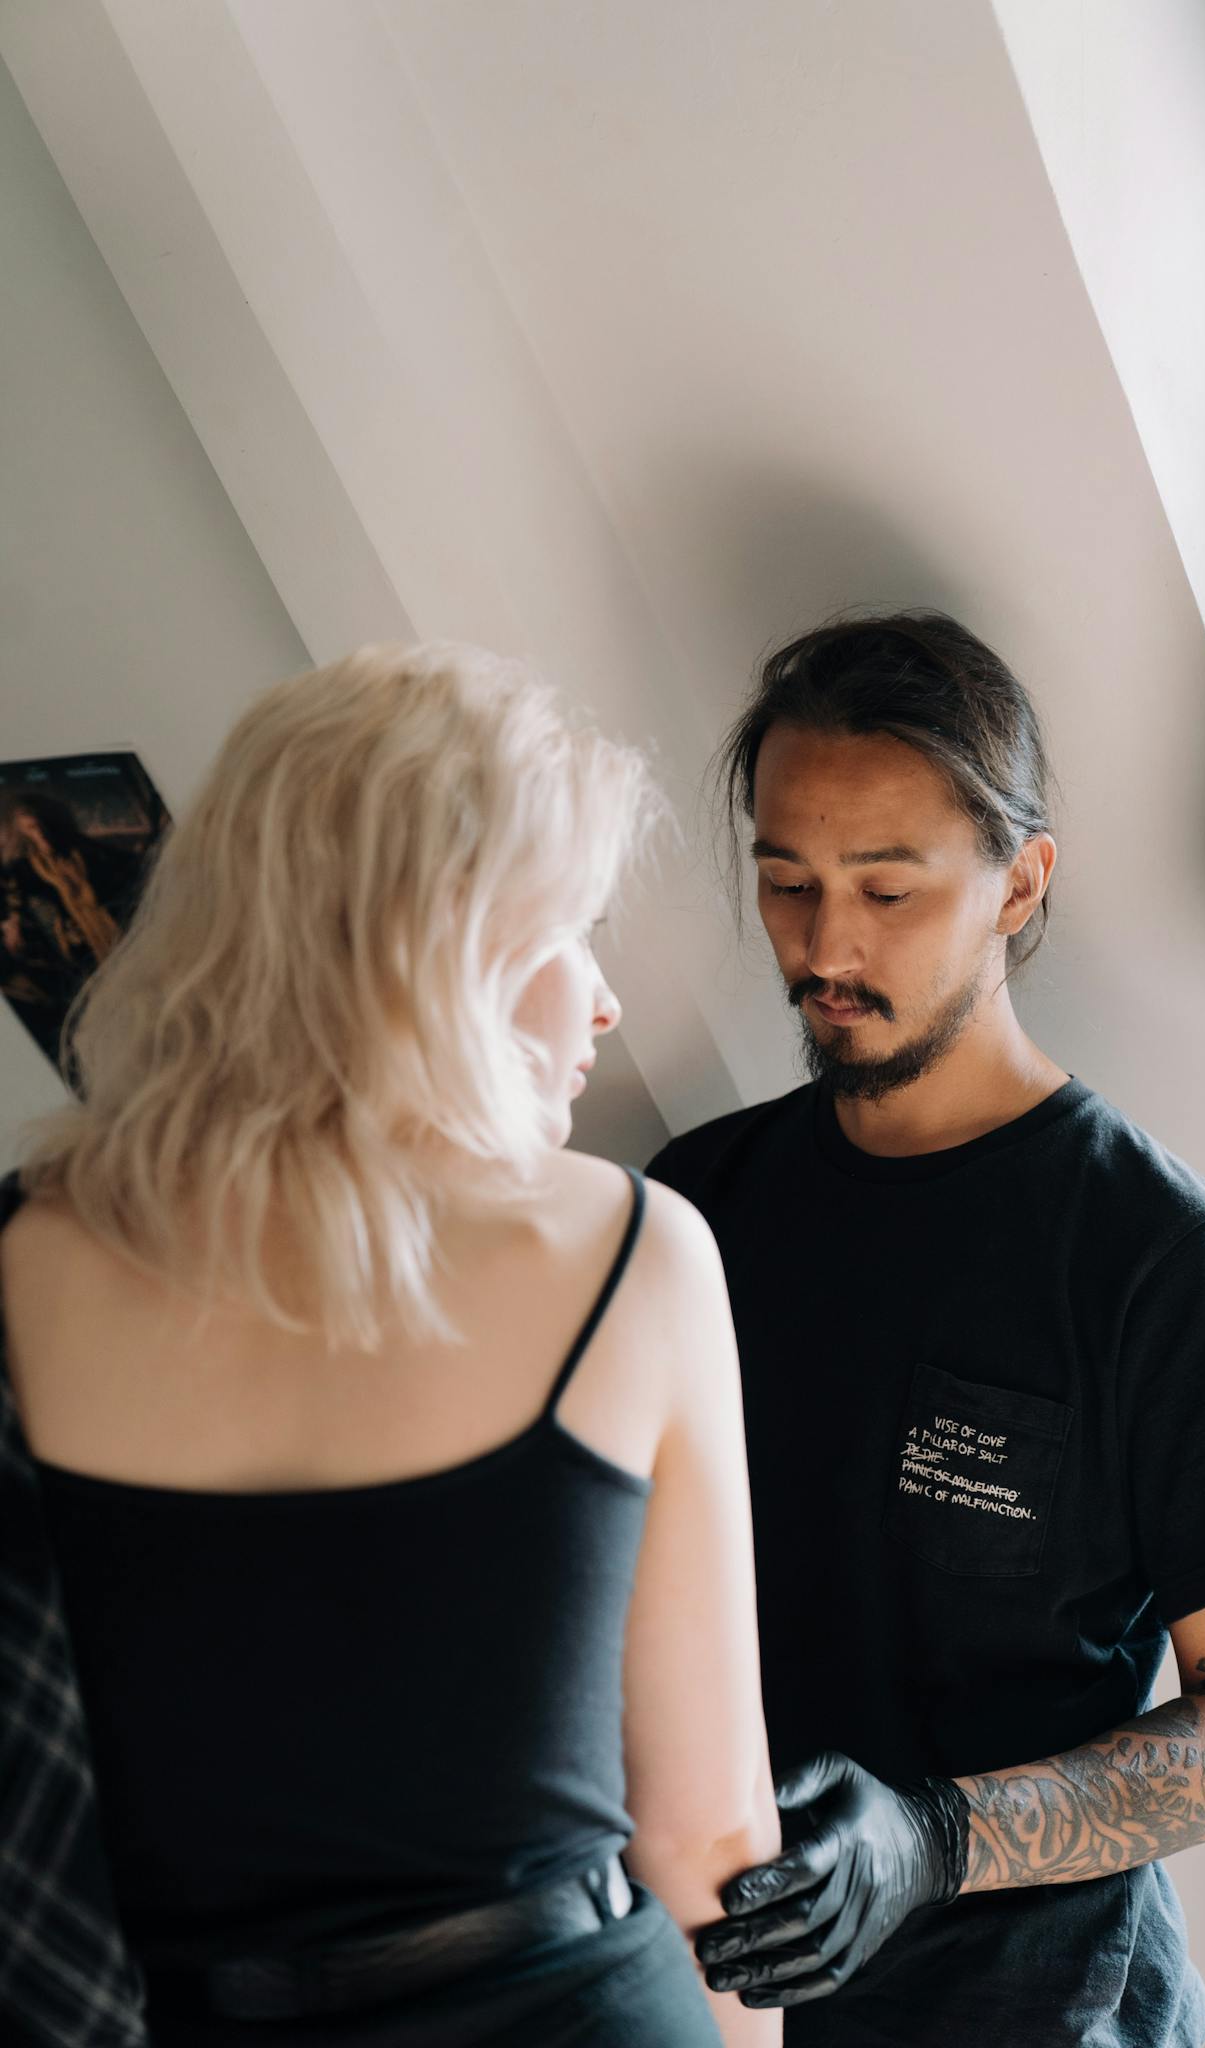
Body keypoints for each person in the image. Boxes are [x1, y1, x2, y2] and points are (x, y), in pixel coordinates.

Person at [0, 643, 781, 2048]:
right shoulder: (630, 1253)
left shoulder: (22, 1259)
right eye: (572, 932)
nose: (602, 1001)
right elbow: (712, 1832)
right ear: (455, 948)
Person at [647, 612, 1205, 2047]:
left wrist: (930, 1841)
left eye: (887, 892)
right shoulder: (688, 1209)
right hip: (718, 2001)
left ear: (1017, 884)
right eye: (786, 883)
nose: (825, 945)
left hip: (1041, 2011)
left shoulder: (1154, 1253)